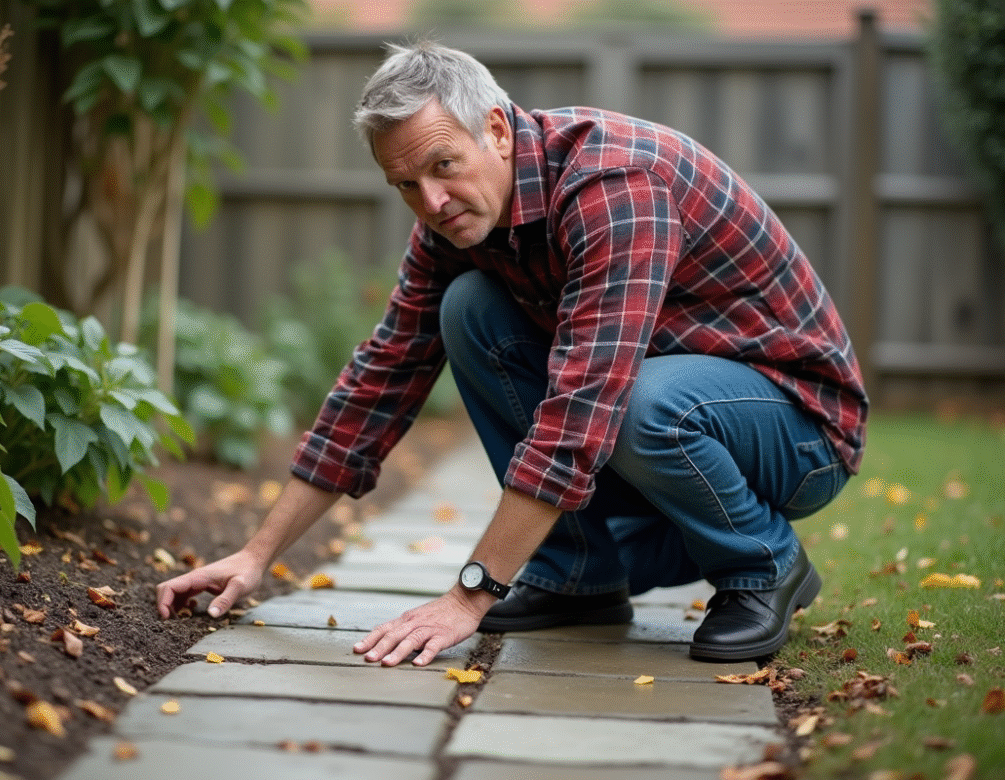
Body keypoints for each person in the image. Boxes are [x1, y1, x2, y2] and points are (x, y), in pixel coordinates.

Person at [156, 41, 867, 667]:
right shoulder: (457, 222)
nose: (431, 201)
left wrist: (470, 594)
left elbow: (586, 401)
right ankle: (577, 577)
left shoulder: (614, 186)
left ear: (495, 130)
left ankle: (763, 566)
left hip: (797, 429)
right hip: (666, 442)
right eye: (405, 184)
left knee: (637, 401)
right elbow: (379, 380)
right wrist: (256, 557)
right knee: (468, 308)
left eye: (443, 165)